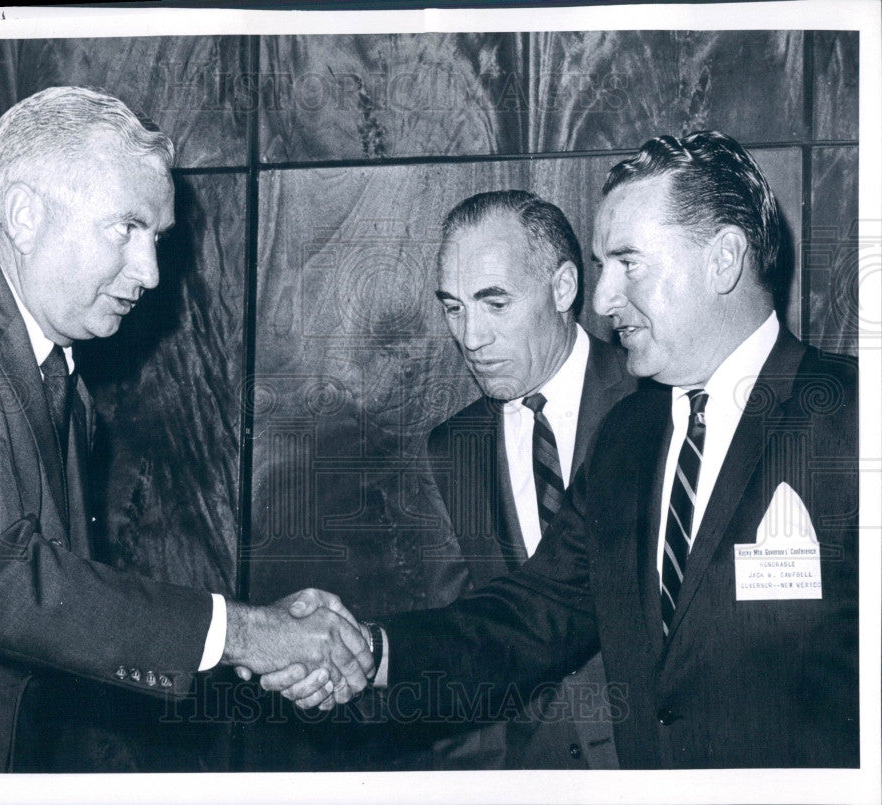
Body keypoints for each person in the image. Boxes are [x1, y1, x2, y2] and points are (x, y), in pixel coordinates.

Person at [266, 131, 859, 769]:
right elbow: (534, 616)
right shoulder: (632, 434)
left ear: (724, 258)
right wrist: (375, 651)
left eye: (628, 263)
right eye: (603, 267)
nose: (602, 301)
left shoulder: (856, 416)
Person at [0, 85, 371, 774]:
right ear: (25, 215)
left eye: (156, 239)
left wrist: (269, 630)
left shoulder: (58, 367)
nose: (151, 273)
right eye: (126, 228)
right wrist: (250, 633)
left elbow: (69, 602)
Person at [424, 191, 637, 768]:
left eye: (495, 303)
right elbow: (459, 646)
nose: (470, 337)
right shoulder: (451, 449)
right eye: (454, 307)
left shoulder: (653, 404)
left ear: (563, 288)